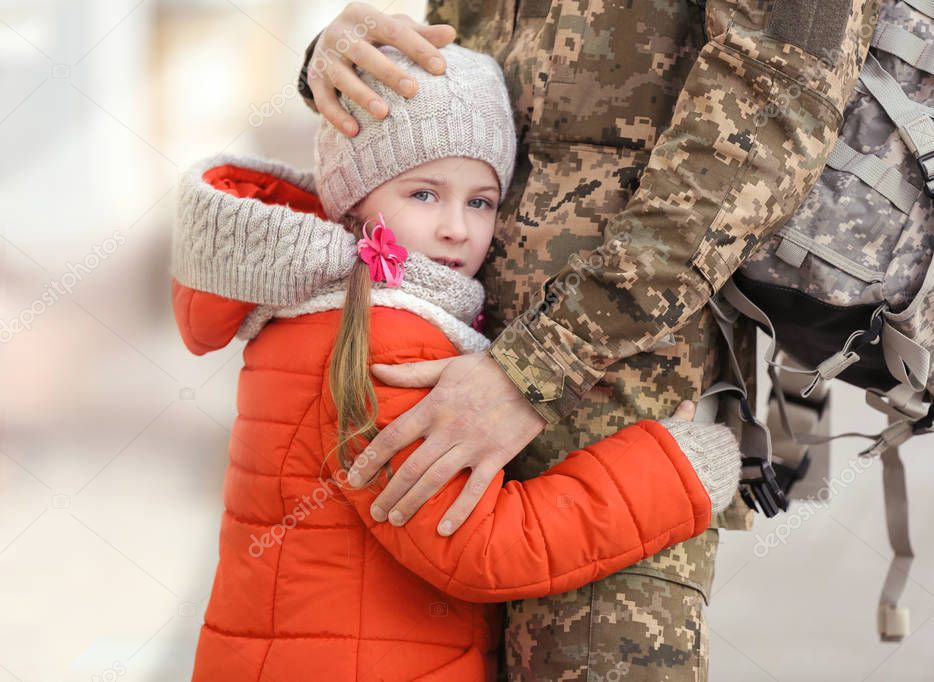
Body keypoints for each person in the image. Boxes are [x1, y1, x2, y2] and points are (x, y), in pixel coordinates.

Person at [296, 1, 882, 678]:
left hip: (616, 418)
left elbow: (771, 116)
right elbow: (467, 60)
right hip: (439, 373)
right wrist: (337, 62)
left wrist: (540, 362)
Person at [171, 43, 743, 681]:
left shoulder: (313, 312)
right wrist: (673, 474)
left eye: (480, 201)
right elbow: (477, 546)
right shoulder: (385, 341)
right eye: (423, 193)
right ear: (353, 203)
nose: (456, 228)